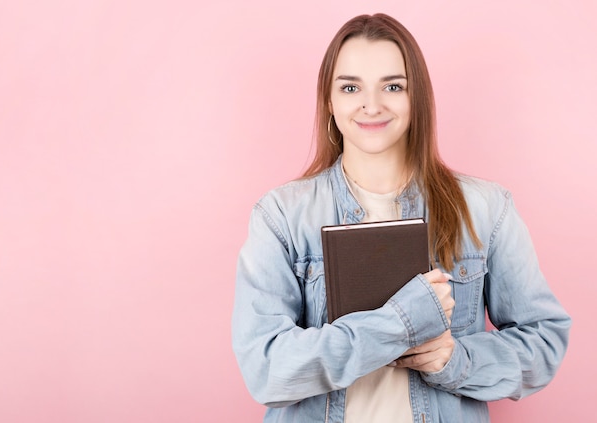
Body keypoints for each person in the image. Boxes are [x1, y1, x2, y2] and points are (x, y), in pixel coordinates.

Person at [231, 13, 571, 423]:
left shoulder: (487, 209)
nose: (371, 105)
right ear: (329, 101)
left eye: (393, 86)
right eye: (351, 87)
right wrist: (401, 322)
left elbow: (544, 340)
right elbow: (266, 370)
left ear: (417, 98)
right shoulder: (281, 216)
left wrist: (455, 360)